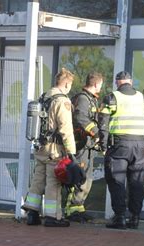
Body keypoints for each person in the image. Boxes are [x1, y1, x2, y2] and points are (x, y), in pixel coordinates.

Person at [98, 71, 144, 229]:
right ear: (130, 82)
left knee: (117, 181)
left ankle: (120, 217)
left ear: (118, 82)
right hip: (139, 146)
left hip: (119, 145)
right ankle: (135, 218)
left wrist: (103, 146)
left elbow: (102, 124)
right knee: (137, 183)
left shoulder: (111, 98)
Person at [21, 68, 76, 227]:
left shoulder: (44, 97)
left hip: (41, 147)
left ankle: (32, 212)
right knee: (53, 182)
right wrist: (71, 152)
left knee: (38, 179)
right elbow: (66, 128)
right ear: (66, 83)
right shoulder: (62, 100)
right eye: (70, 86)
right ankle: (53, 216)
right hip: (54, 149)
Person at [65, 72, 104, 223]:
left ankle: (79, 208)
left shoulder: (90, 99)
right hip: (81, 145)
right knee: (78, 177)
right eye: (100, 85)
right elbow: (80, 117)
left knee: (87, 178)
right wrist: (95, 132)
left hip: (88, 146)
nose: (100, 87)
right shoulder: (82, 99)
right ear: (96, 84)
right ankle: (71, 209)